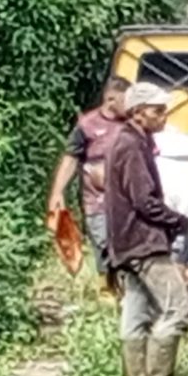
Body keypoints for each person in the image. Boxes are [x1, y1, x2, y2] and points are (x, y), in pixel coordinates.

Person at [101, 83, 188, 376]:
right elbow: (144, 202)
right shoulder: (130, 147)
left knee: (136, 310)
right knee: (177, 306)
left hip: (126, 240)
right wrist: (187, 224)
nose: (164, 116)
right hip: (142, 241)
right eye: (157, 111)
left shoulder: (132, 141)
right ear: (138, 113)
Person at [47, 77, 132, 273]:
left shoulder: (132, 125)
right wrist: (57, 193)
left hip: (128, 204)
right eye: (126, 100)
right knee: (105, 252)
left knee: (127, 255)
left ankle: (124, 287)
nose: (131, 106)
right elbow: (70, 158)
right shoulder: (87, 125)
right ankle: (106, 286)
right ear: (111, 99)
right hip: (97, 204)